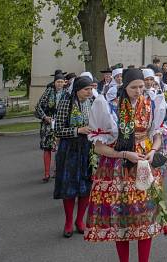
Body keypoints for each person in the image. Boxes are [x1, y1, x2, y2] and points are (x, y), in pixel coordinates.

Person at [85, 68, 167, 262]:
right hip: (118, 168)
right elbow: (98, 148)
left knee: (145, 218)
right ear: (125, 86)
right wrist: (124, 153)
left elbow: (157, 135)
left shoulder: (151, 104)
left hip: (144, 165)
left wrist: (153, 151)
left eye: (141, 86)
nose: (139, 90)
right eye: (134, 87)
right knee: (122, 221)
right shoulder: (110, 107)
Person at [54, 75, 96, 237]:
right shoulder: (67, 103)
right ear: (77, 90)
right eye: (86, 89)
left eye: (91, 89)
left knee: (85, 186)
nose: (89, 92)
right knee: (69, 187)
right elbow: (57, 130)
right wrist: (77, 130)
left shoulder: (92, 103)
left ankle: (80, 220)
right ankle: (68, 221)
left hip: (87, 148)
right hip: (69, 149)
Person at [35, 70, 64, 182]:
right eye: (58, 82)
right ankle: (46, 173)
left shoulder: (66, 93)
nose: (60, 84)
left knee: (59, 147)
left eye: (61, 82)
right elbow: (38, 106)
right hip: (48, 122)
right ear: (54, 83)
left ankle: (57, 170)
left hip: (60, 122)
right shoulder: (49, 92)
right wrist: (45, 117)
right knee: (47, 147)